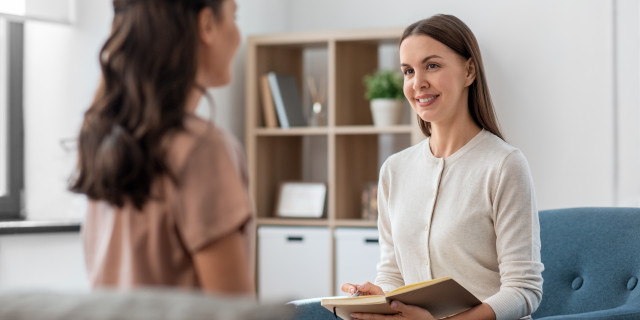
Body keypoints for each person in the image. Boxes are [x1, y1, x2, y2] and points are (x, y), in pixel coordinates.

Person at [341, 14, 543, 320]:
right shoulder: (394, 170)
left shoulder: (504, 165)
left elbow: (523, 290)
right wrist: (381, 300)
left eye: (432, 65)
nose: (417, 82)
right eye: (408, 71)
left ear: (469, 71)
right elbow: (393, 274)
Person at [70, 0, 254, 295]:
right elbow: (234, 312)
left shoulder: (101, 140)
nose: (238, 33)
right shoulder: (202, 149)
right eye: (234, 16)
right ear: (206, 25)